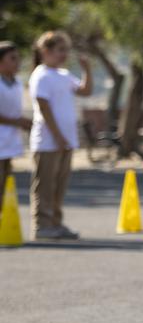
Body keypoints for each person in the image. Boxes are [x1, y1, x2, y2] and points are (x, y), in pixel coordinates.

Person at [29, 32, 92, 240]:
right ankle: (42, 224)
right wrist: (57, 135)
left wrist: (87, 70)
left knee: (59, 184)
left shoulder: (64, 75)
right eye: (60, 50)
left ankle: (56, 222)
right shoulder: (42, 75)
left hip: (65, 140)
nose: (64, 54)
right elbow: (44, 107)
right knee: (45, 184)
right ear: (46, 52)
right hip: (48, 141)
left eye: (66, 50)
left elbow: (85, 91)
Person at [0, 41, 31, 189]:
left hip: (8, 143)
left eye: (18, 58)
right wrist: (16, 122)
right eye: (12, 58)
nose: (17, 62)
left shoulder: (17, 82)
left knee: (4, 187)